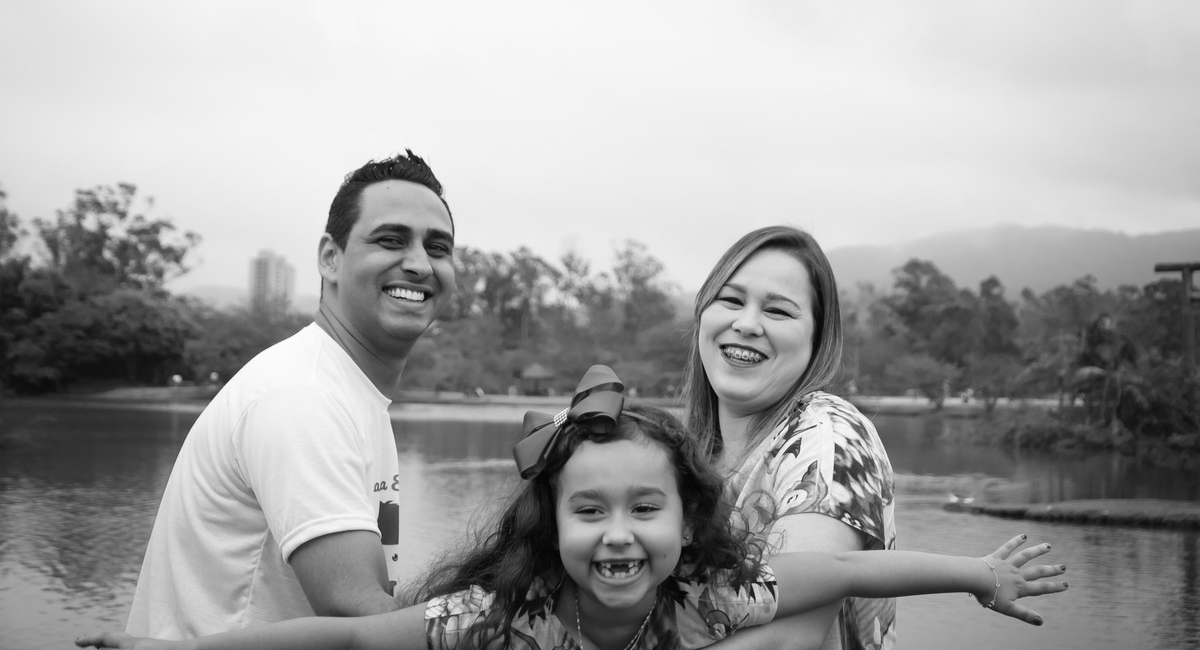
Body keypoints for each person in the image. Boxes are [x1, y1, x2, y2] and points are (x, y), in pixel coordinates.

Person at [80, 367, 1068, 650]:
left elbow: (848, 568)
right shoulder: (497, 621)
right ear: (550, 528)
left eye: (647, 506)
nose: (619, 530)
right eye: (588, 508)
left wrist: (978, 572)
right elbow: (351, 639)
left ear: (688, 524)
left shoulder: (710, 598)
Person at [124, 150, 457, 639]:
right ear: (330, 257)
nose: (418, 264)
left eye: (438, 247)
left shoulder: (340, 388)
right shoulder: (303, 398)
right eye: (391, 240)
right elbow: (362, 616)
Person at [681, 226, 897, 650]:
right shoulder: (690, 454)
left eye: (778, 311)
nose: (746, 324)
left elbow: (791, 639)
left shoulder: (828, 439)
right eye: (731, 300)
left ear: (817, 339)